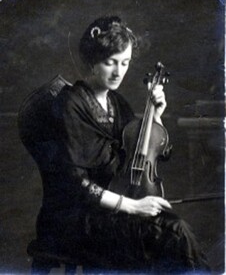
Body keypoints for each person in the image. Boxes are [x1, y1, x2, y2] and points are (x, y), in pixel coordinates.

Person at [20, 16, 210, 274]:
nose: (119, 72)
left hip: (113, 207)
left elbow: (143, 156)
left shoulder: (118, 104)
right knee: (174, 233)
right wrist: (134, 206)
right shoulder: (70, 104)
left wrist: (155, 116)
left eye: (125, 62)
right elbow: (76, 183)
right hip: (75, 218)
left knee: (174, 232)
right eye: (110, 62)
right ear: (92, 61)